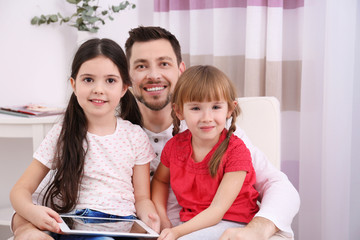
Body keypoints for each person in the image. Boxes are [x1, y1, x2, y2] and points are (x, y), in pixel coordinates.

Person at [11, 26, 300, 240]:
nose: (153, 75)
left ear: (181, 70)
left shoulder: (213, 128)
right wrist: (24, 224)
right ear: (129, 79)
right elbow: (38, 197)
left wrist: (260, 226)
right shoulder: (103, 125)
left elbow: (279, 186)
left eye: (164, 63)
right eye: (141, 66)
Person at [9, 38, 160, 240]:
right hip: (75, 224)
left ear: (124, 88)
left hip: (120, 226)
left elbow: (142, 197)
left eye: (110, 80)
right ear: (73, 84)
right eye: (88, 79)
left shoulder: (134, 136)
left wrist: (149, 217)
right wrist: (31, 211)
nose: (98, 89)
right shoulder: (63, 132)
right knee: (25, 227)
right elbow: (20, 190)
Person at [151, 65, 260, 240]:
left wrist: (177, 232)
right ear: (179, 111)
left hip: (232, 222)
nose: (206, 117)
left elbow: (217, 210)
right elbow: (160, 180)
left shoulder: (236, 151)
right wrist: (163, 218)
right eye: (196, 108)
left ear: (230, 109)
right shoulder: (174, 146)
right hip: (193, 223)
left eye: (216, 107)